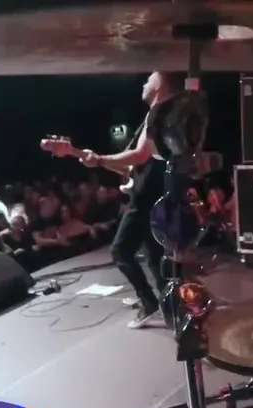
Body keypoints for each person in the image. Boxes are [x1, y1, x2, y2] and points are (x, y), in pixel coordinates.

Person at [79, 71, 183, 329]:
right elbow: (137, 165)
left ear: (159, 84)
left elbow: (140, 155)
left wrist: (99, 159)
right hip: (158, 190)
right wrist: (99, 161)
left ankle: (149, 303)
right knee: (153, 254)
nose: (144, 84)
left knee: (121, 250)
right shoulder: (172, 113)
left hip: (146, 195)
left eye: (149, 80)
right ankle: (172, 308)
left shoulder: (157, 113)